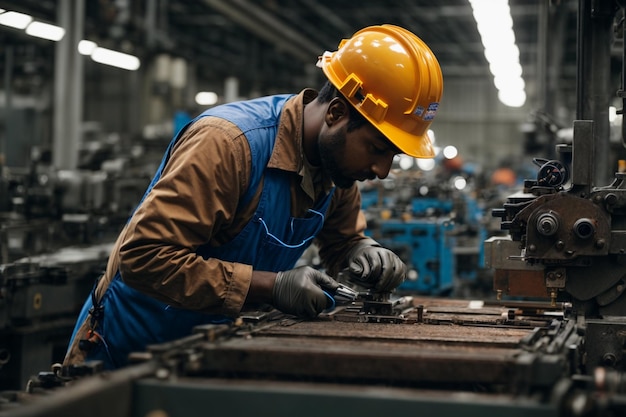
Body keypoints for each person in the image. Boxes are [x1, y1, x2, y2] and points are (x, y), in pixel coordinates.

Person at [63, 24, 444, 369]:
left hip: (215, 350)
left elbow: (343, 243)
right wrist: (270, 286)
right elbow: (144, 258)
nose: (382, 171)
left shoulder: (336, 172)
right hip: (125, 350)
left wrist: (363, 252)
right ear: (336, 113)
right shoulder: (229, 144)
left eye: (393, 156)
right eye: (378, 149)